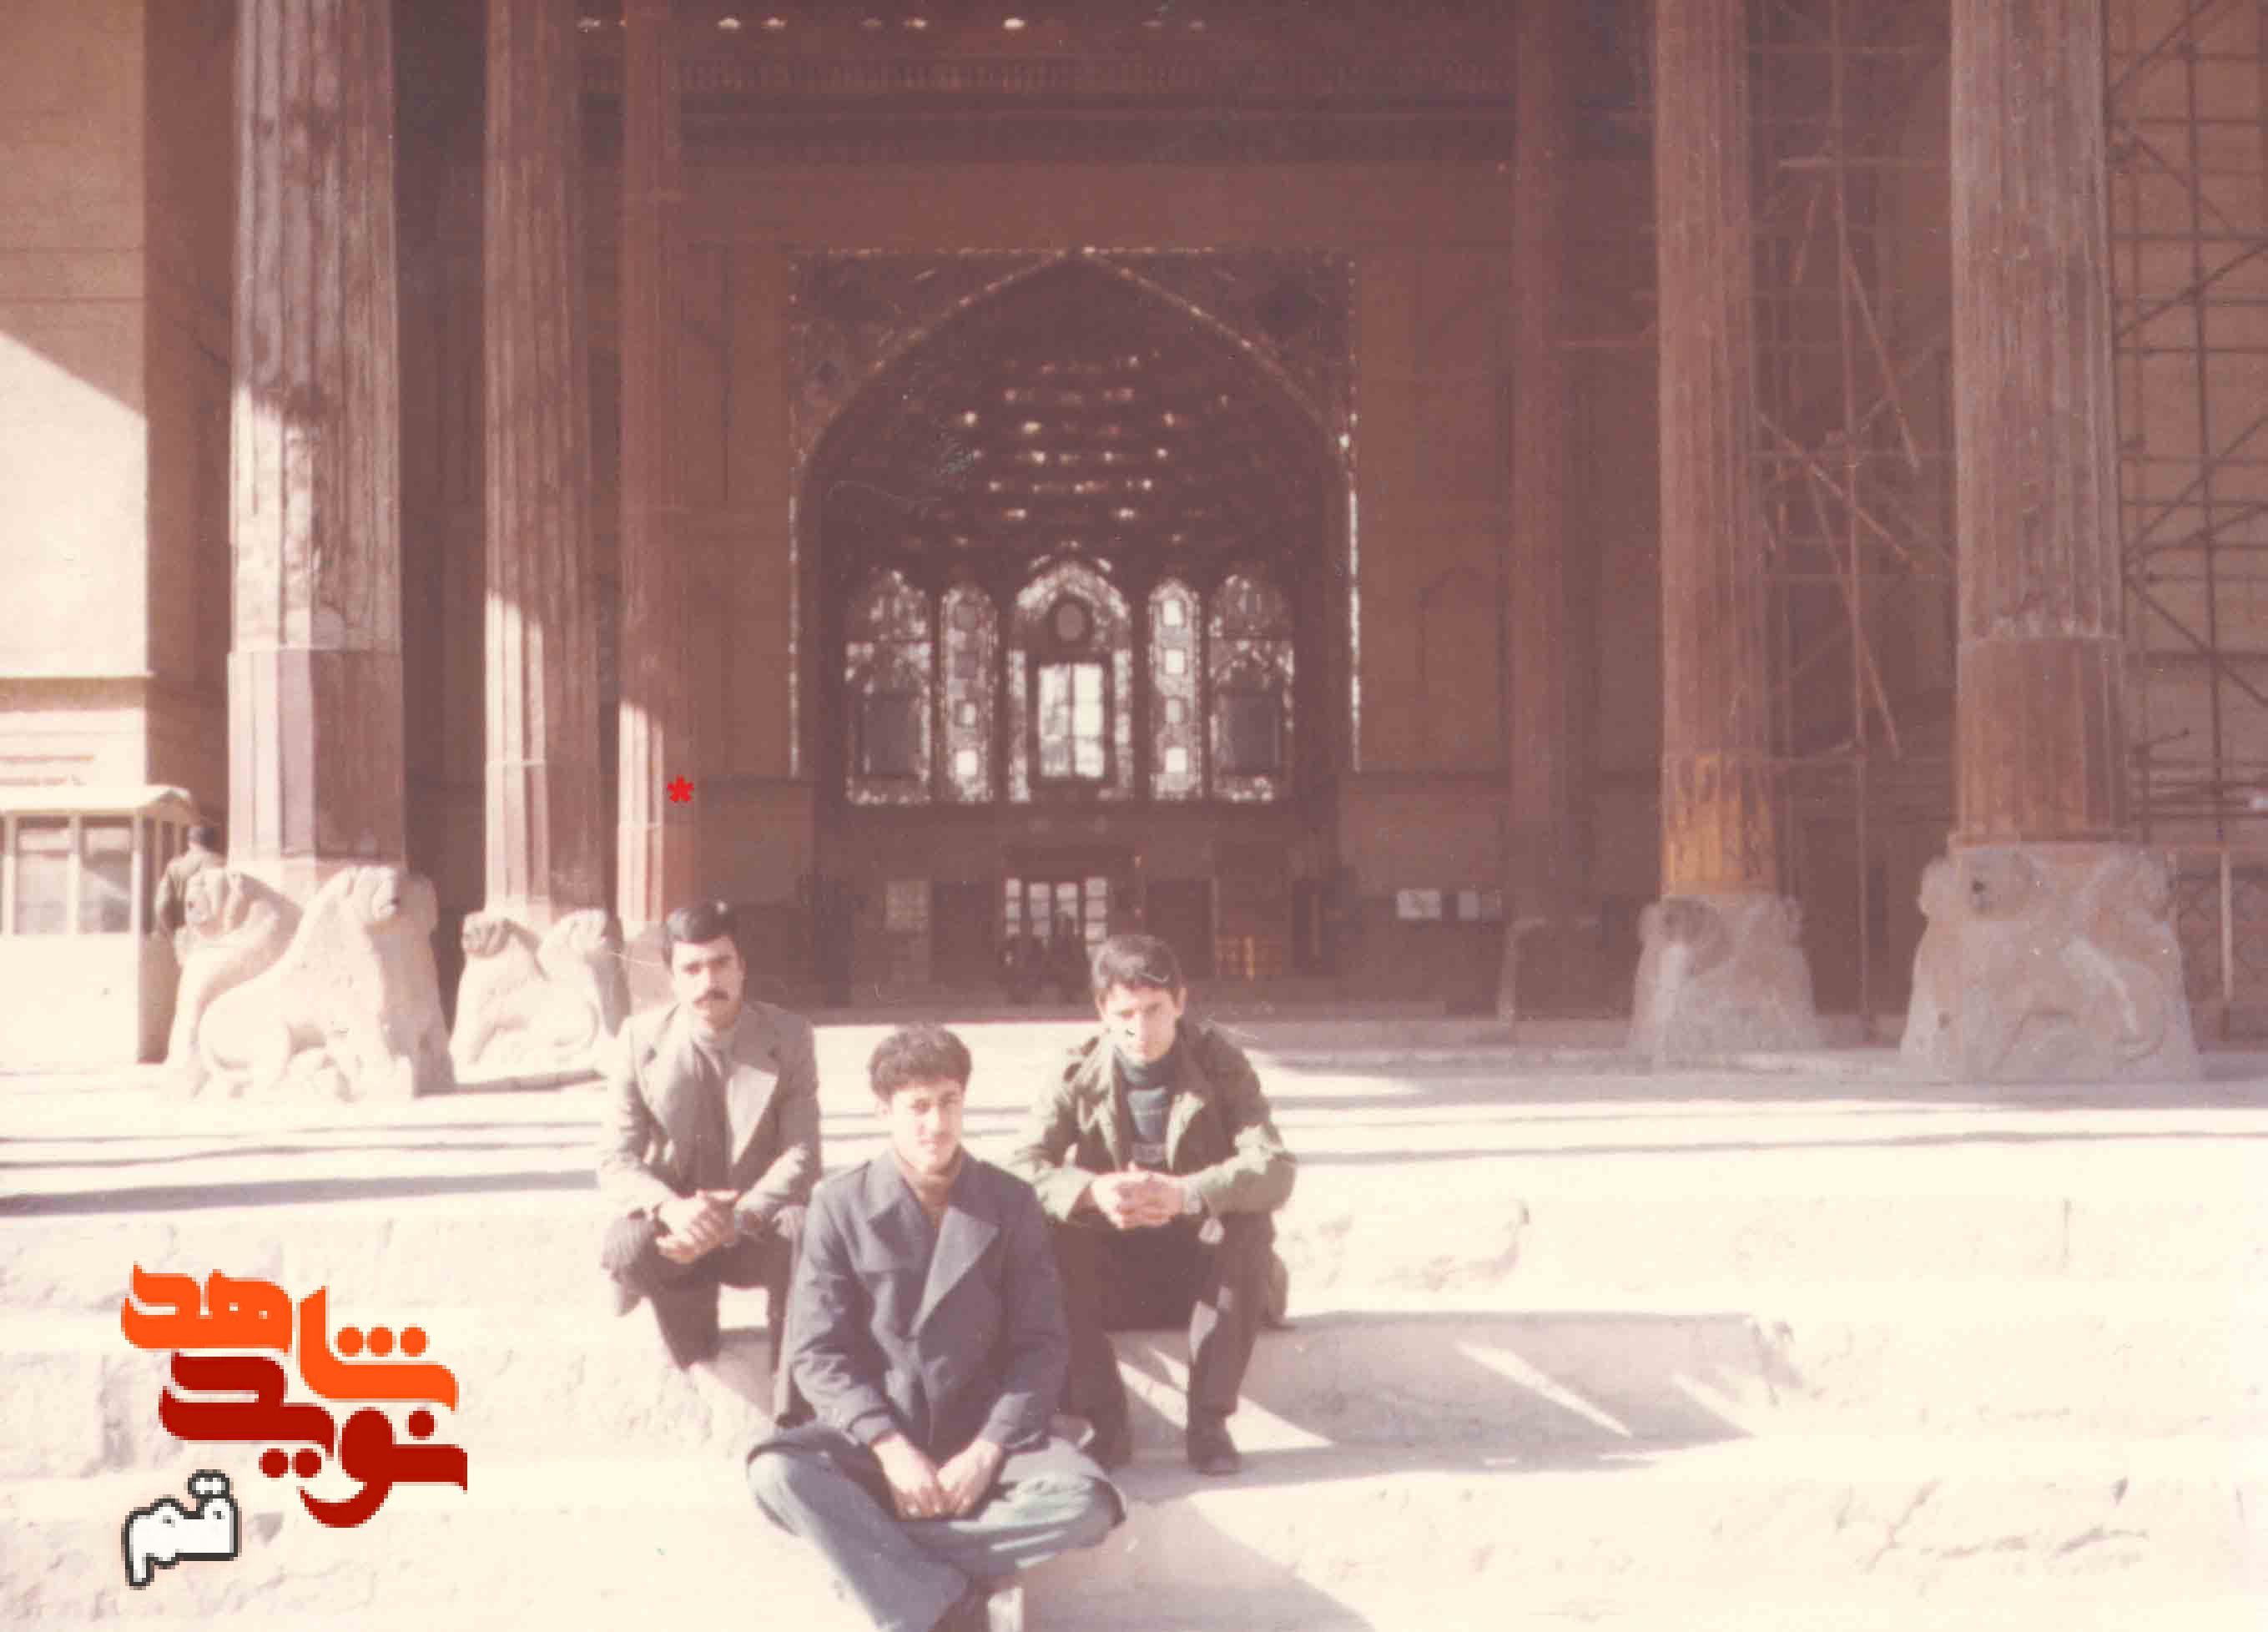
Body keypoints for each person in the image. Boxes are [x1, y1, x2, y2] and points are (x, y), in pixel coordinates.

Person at [746, 1025, 1121, 1632]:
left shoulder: (1010, 1201)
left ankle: (886, 1569)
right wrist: (890, 1449)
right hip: (881, 1439)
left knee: (1087, 1505)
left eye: (949, 1102)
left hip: (984, 1436)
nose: (937, 1125)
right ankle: (948, 1598)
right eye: (917, 1107)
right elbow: (816, 1353)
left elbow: (1043, 1347)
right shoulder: (838, 1204)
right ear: (884, 1111)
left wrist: (987, 1450)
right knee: (776, 1474)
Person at [1006, 933, 1295, 1478]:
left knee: (1250, 1221)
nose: (1141, 1029)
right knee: (1044, 1229)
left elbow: (1274, 1166)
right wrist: (1092, 1192)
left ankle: (1208, 1422)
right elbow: (1023, 1167)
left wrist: (1188, 1194)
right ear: (1102, 1011)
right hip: (1115, 1276)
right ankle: (1105, 1419)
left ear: (1181, 1002)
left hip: (1202, 1278)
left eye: (1156, 1009)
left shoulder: (1220, 1064)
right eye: (1125, 1013)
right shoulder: (1076, 1073)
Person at [597, 899, 819, 1374]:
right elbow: (616, 1160)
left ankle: (791, 1384)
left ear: (742, 967)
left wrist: (738, 1219)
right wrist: (673, 1210)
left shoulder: (790, 1035)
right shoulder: (638, 1039)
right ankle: (693, 1347)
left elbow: (801, 1156)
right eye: (692, 969)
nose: (708, 981)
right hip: (679, 1234)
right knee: (626, 1245)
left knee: (805, 1228)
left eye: (721, 964)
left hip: (753, 1226)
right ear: (672, 977)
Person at [153, 824, 223, 939]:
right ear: (215, 843)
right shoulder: (222, 863)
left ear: (190, 842)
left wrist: (173, 934)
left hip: (185, 936)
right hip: (215, 937)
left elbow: (161, 906)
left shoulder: (175, 866)